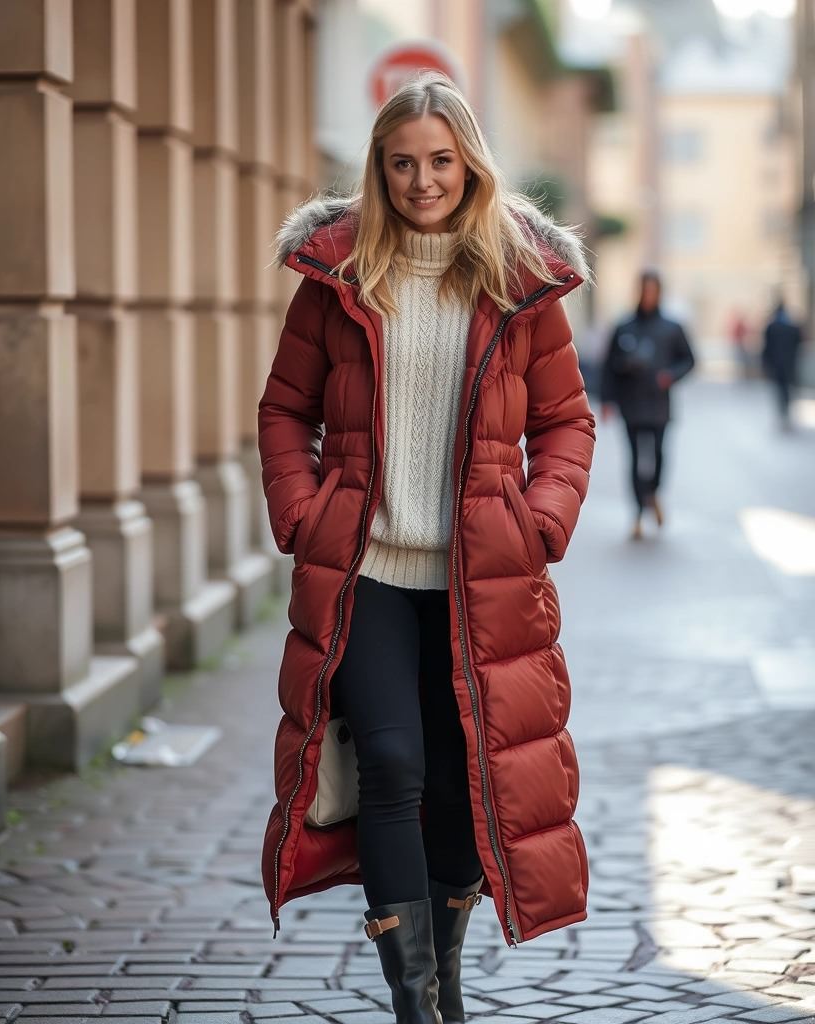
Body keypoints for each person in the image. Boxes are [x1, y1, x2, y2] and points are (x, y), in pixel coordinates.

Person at [258, 71, 595, 1024]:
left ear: (470, 165)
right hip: (366, 572)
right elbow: (285, 409)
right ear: (378, 167)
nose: (422, 181)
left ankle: (444, 981)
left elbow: (567, 422)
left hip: (477, 577)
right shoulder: (338, 277)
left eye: (440, 161)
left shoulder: (520, 281)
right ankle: (414, 1003)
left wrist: (541, 520)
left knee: (458, 777)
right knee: (394, 766)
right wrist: (302, 512)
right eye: (402, 164)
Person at [600, 270, 695, 540]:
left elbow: (689, 360)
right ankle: (638, 512)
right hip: (630, 403)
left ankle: (653, 493)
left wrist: (670, 376)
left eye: (653, 291)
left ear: (659, 293)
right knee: (633, 459)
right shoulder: (624, 327)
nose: (648, 295)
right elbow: (608, 367)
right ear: (639, 292)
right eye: (645, 290)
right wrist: (607, 400)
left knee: (658, 456)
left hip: (658, 405)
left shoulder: (672, 328)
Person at [762, 298, 803, 429]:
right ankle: (786, 413)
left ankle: (784, 413)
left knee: (781, 389)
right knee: (787, 389)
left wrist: (766, 363)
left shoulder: (772, 327)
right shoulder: (792, 328)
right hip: (789, 363)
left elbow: (767, 347)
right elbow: (798, 344)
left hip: (777, 364)